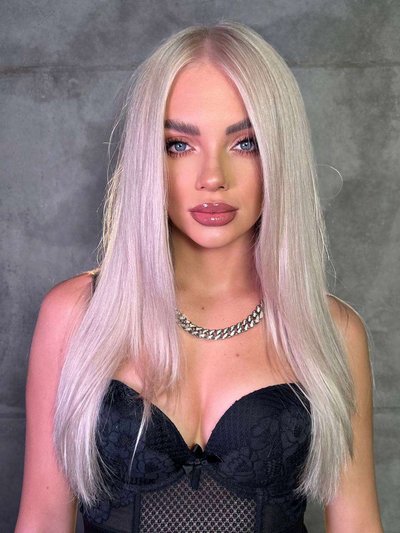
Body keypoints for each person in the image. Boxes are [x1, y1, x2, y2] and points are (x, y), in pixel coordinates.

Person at [16, 22, 383, 533]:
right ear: (147, 156)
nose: (213, 177)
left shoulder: (333, 332)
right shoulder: (74, 316)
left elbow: (359, 525)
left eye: (246, 143)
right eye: (179, 145)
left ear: (280, 156)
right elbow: (42, 521)